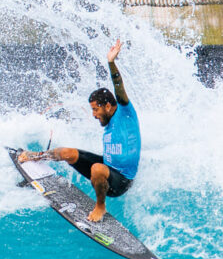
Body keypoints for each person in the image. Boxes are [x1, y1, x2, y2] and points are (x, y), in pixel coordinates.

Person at [20, 39, 141, 222]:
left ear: (108, 106)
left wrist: (111, 63)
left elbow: (119, 88)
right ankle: (36, 156)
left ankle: (100, 206)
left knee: (97, 169)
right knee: (66, 152)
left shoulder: (125, 113)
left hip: (121, 179)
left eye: (96, 109)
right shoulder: (107, 119)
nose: (93, 114)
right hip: (107, 167)